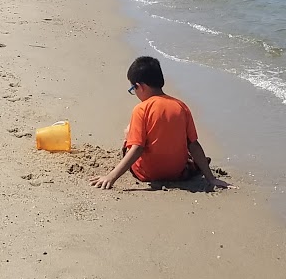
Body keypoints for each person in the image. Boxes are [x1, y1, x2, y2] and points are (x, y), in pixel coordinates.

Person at [90, 56, 219, 190]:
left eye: (133, 89)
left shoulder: (141, 109)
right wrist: (211, 178)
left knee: (129, 131)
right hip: (177, 173)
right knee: (184, 146)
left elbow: (137, 148)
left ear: (140, 86)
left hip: (146, 173)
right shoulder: (181, 107)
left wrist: (111, 177)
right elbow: (194, 144)